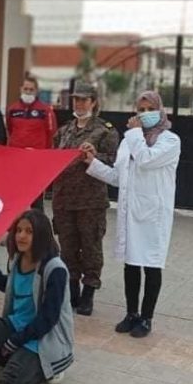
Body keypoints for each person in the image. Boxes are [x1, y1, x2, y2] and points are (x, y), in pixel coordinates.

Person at [81, 90, 180, 338]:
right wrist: (93, 163)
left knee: (151, 265)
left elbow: (146, 159)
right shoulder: (129, 141)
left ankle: (146, 318)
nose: (145, 114)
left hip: (153, 215)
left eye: (150, 109)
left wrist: (134, 133)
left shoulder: (169, 141)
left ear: (160, 110)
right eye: (141, 110)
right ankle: (131, 313)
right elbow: (119, 176)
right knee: (131, 265)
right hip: (131, 213)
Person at [0, 209, 74, 384]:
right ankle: (11, 362)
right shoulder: (18, 258)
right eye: (18, 230)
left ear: (41, 235)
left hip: (43, 336)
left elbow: (48, 318)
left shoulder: (55, 269)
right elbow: (11, 286)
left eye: (29, 231)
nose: (21, 236)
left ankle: (51, 369)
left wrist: (15, 341)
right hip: (16, 324)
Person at [52, 81, 119, 316]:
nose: (79, 104)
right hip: (64, 200)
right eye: (76, 99)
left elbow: (114, 161)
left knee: (91, 248)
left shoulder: (105, 131)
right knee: (68, 249)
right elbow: (53, 158)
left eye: (83, 99)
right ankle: (72, 292)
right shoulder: (64, 131)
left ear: (93, 102)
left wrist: (94, 155)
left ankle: (89, 293)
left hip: (90, 202)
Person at [5, 76, 57, 211]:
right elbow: (10, 130)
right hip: (17, 160)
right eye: (26, 89)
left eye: (31, 89)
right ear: (21, 89)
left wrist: (45, 157)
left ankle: (38, 222)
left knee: (36, 197)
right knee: (15, 196)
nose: (28, 92)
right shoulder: (12, 110)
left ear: (37, 91)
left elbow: (51, 134)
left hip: (36, 161)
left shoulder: (46, 111)